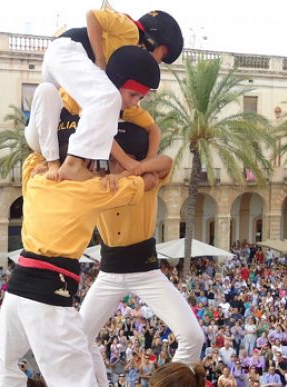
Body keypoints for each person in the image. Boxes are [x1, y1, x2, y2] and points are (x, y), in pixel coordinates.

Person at [0, 150, 147, 387]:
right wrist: (123, 170)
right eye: (96, 165)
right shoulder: (89, 190)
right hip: (50, 297)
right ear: (83, 163)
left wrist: (49, 162)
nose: (99, 171)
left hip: (16, 294)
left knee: (7, 369)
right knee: (76, 381)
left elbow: (35, 151)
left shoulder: (36, 180)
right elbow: (148, 180)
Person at [79, 119, 203, 386]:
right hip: (110, 273)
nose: (113, 164)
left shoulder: (145, 179)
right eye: (111, 159)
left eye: (118, 158)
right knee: (79, 338)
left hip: (145, 271)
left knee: (193, 337)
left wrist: (130, 168)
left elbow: (165, 161)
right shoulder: (97, 182)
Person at [36, 5, 182, 181]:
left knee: (49, 98)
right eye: (162, 54)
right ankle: (73, 164)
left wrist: (146, 163)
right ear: (156, 41)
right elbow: (92, 16)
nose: (158, 61)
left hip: (57, 63)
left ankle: (52, 161)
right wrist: (100, 60)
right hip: (69, 50)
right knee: (108, 98)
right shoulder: (131, 31)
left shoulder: (128, 57)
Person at [26, 45, 161, 181]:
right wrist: (127, 161)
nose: (135, 102)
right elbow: (99, 127)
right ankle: (52, 162)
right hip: (42, 134)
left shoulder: (128, 107)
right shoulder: (95, 95)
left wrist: (148, 162)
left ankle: (59, 163)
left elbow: (154, 130)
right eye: (132, 95)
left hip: (64, 146)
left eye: (140, 98)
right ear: (114, 85)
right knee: (46, 90)